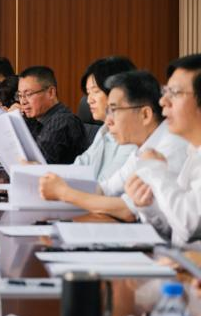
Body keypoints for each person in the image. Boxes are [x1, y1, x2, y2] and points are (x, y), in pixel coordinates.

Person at [39, 70, 187, 220]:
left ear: (145, 115)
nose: (108, 121)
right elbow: (105, 189)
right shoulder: (143, 147)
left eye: (114, 110)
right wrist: (45, 181)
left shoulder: (170, 147)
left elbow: (128, 210)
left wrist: (64, 193)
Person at [125, 54, 201, 246]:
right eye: (165, 91)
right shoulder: (193, 151)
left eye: (174, 92)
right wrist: (148, 206)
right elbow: (176, 231)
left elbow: (189, 224)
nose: (163, 101)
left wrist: (155, 170)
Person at [73, 57, 138, 181]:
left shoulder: (132, 136)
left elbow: (107, 184)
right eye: (88, 93)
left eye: (95, 91)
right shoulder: (104, 129)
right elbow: (81, 164)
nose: (89, 100)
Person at [18, 66, 88, 164]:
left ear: (51, 92)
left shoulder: (63, 121)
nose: (23, 101)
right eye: (20, 95)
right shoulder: (36, 119)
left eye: (28, 94)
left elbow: (36, 162)